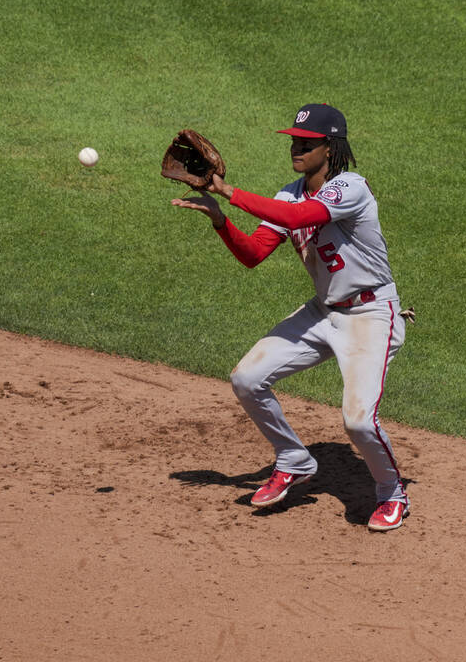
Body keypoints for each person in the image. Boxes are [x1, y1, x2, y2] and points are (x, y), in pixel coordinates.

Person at [171, 103, 412, 531]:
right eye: (294, 142)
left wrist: (229, 191)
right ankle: (294, 459)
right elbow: (253, 254)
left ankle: (392, 492)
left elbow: (300, 217)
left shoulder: (349, 187)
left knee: (358, 420)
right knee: (247, 379)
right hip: (323, 312)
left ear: (330, 146)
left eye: (306, 143)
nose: (296, 149)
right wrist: (221, 221)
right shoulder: (289, 191)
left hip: (371, 315)